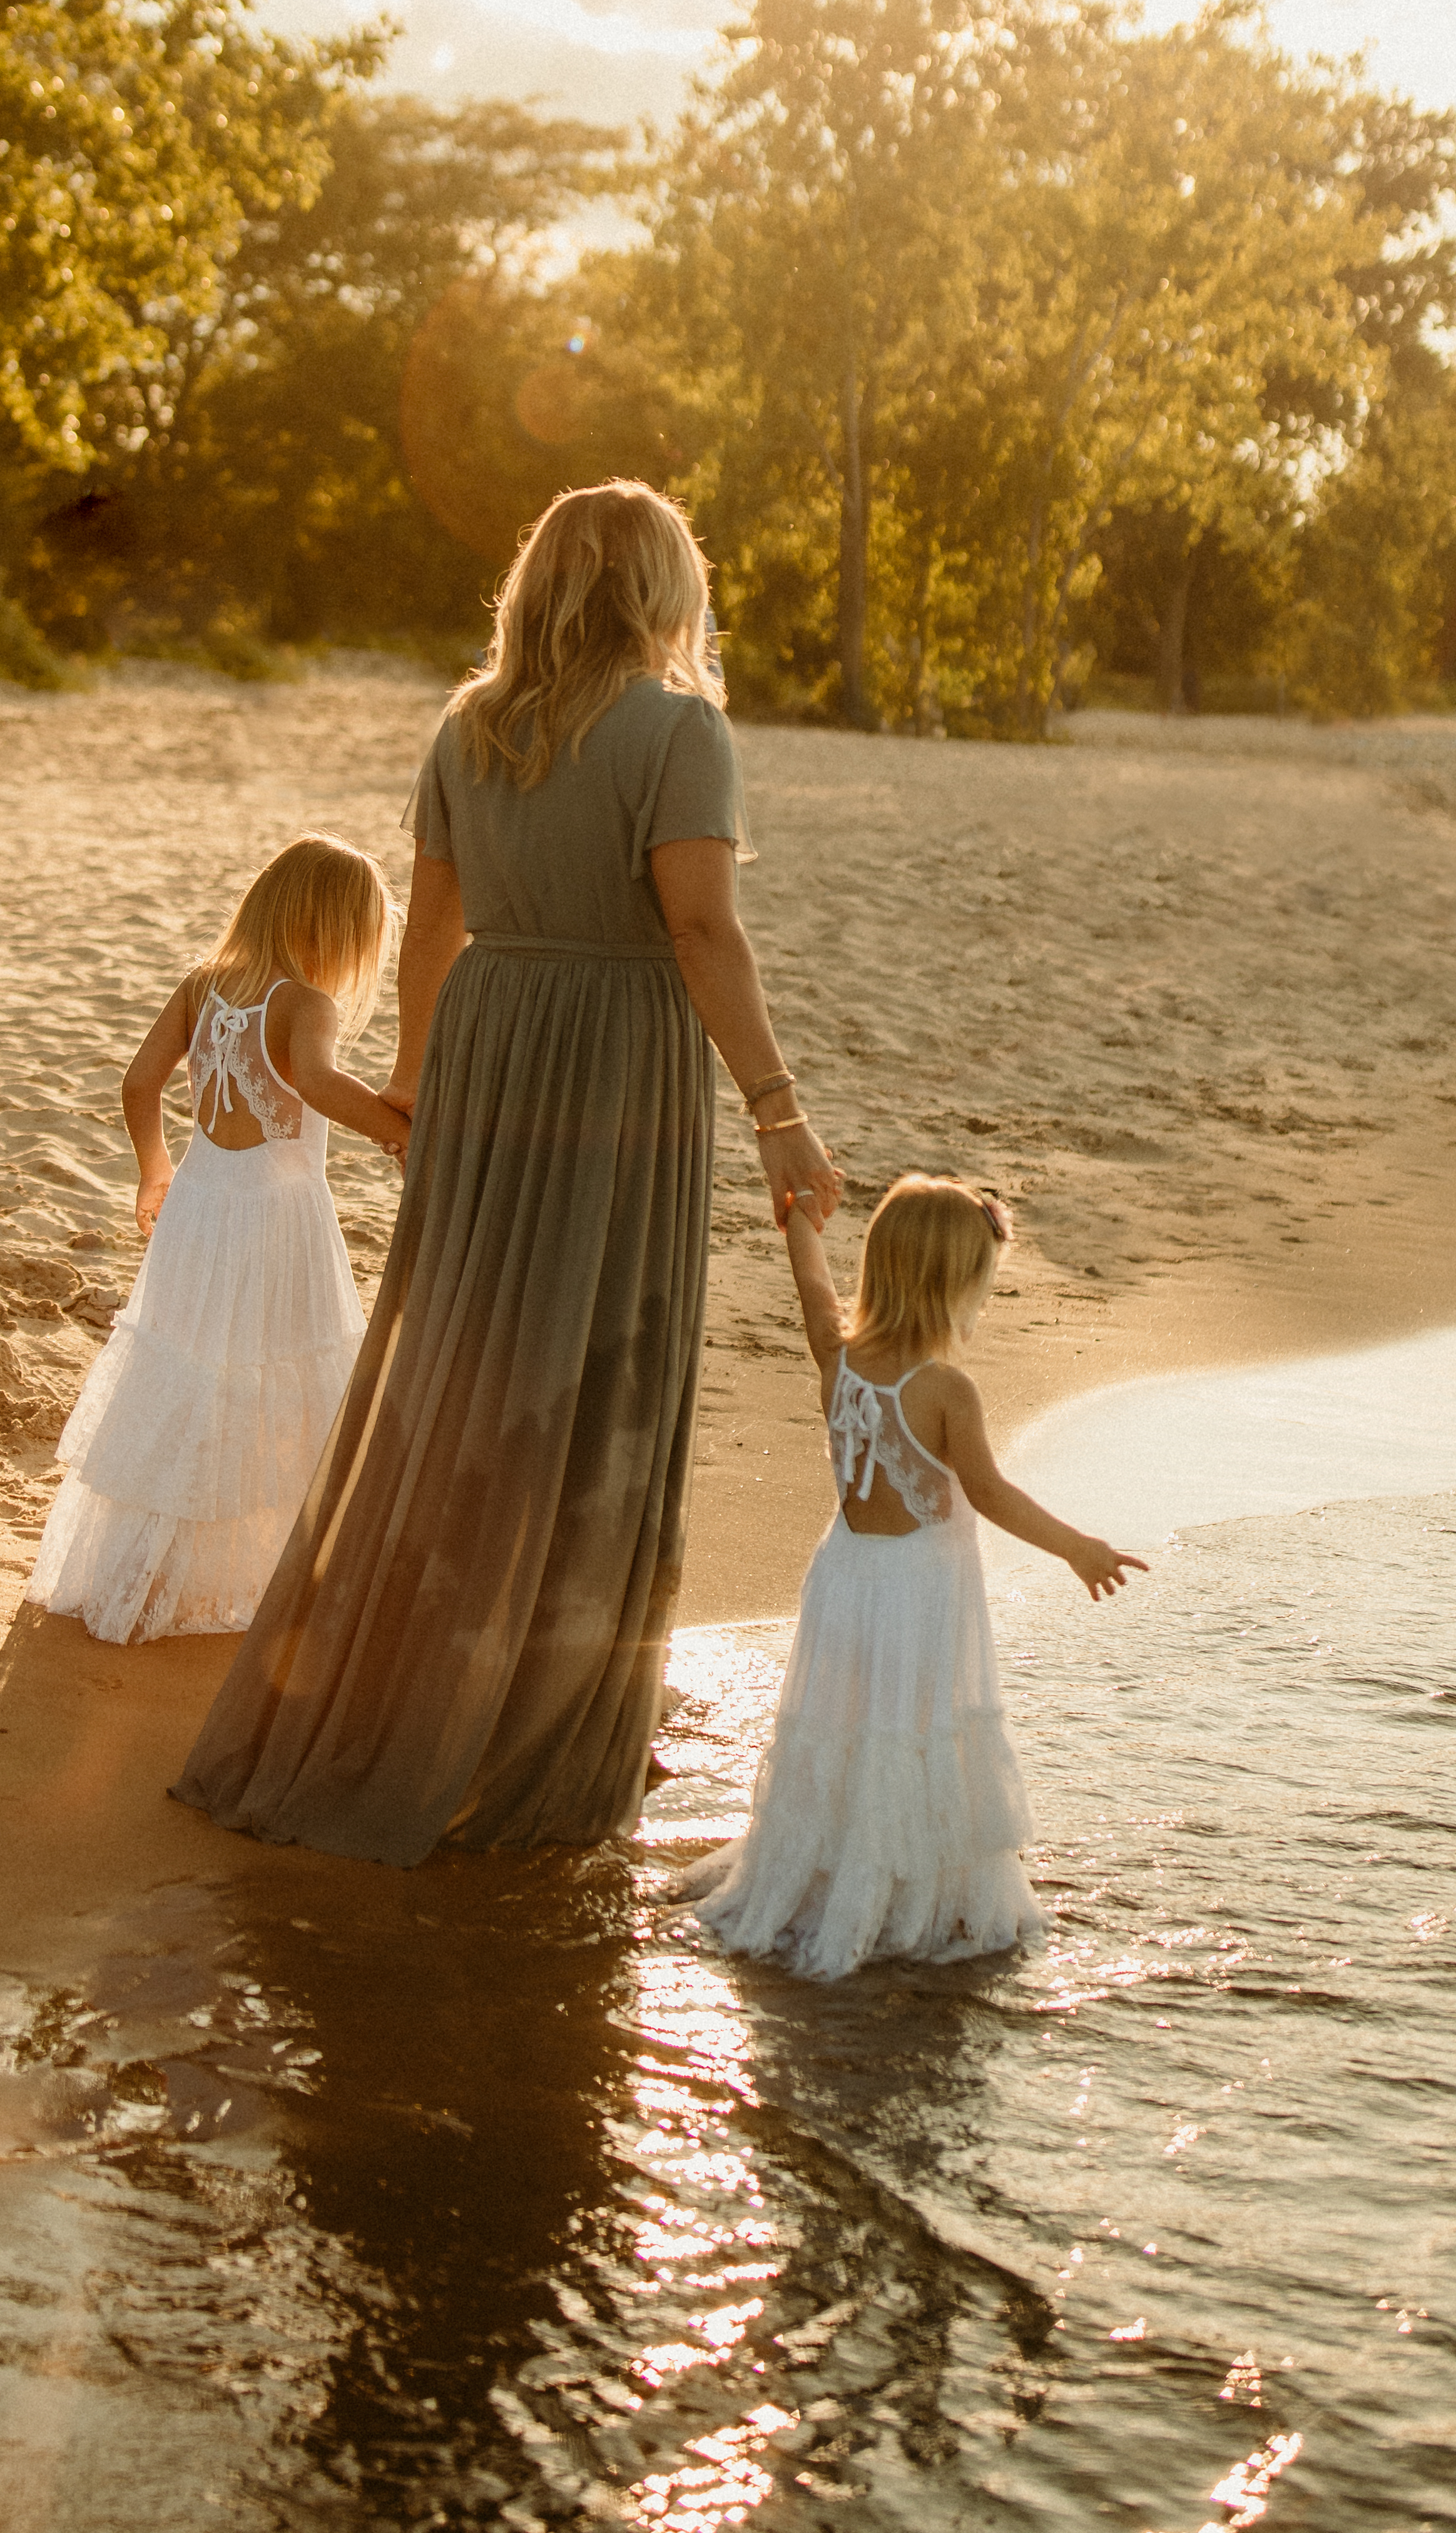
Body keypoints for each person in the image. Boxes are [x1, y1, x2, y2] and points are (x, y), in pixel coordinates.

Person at [175, 481, 841, 1863]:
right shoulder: (679, 730)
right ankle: (550, 1720)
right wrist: (776, 1108)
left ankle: (437, 1693)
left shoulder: (465, 728)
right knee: (599, 1369)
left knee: (467, 1370)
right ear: (663, 591)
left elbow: (433, 932)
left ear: (539, 585)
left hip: (490, 1046)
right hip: (618, 1059)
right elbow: (704, 933)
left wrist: (420, 1083)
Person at [682, 1173, 1145, 1981]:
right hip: (916, 1593)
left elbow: (811, 1282)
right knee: (911, 1734)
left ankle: (825, 1870)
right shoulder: (945, 1390)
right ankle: (898, 1901)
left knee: (850, 1731)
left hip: (846, 1579)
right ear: (951, 1287)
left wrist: (801, 1220)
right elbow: (990, 1493)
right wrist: (1077, 1548)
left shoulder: (839, 1350)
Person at [29, 837, 409, 1646]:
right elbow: (317, 1083)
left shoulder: (203, 986)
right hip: (278, 1213)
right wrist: (403, 1134)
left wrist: (153, 1169)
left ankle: (151, 1564)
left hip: (201, 1203)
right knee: (274, 1367)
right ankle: (259, 1569)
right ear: (335, 927)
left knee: (190, 1360)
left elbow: (140, 1082)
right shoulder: (306, 1003)